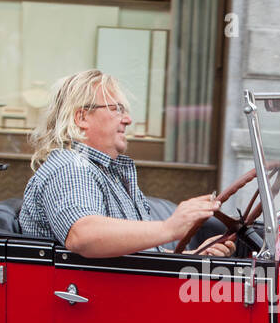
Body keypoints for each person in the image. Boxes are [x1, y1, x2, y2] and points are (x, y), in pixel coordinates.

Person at [18, 70, 233, 258]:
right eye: (117, 109)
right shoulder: (71, 166)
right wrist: (169, 228)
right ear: (82, 117)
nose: (128, 120)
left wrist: (192, 255)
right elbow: (83, 235)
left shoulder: (106, 172)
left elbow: (136, 253)